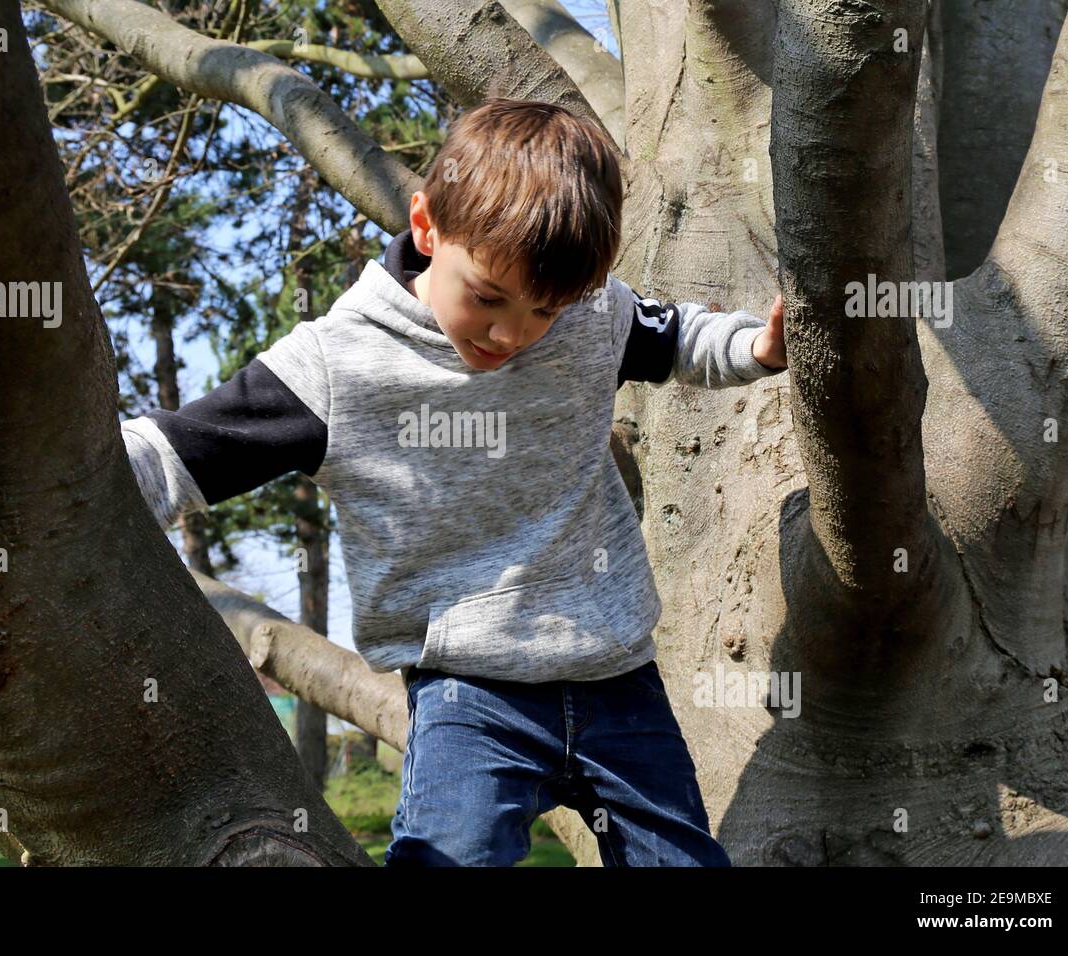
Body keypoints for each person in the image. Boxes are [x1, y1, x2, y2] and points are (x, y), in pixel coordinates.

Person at [121, 98, 788, 866]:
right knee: (450, 856)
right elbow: (178, 452)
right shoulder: (339, 367)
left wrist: (754, 346)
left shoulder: (591, 313)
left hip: (617, 678)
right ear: (427, 226)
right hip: (471, 693)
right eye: (487, 298)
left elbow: (675, 337)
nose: (513, 335)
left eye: (543, 311)